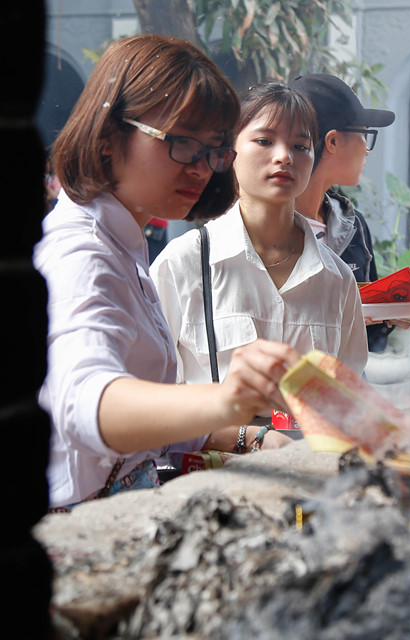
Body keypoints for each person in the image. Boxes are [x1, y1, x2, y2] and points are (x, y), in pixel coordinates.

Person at [35, 34, 300, 511]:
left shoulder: (122, 241)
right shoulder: (81, 253)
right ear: (108, 137)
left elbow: (151, 412)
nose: (202, 168)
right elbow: (85, 403)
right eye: (181, 142)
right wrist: (227, 399)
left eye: (214, 149)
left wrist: (249, 436)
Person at [150, 83, 367, 390]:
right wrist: (248, 436)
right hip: (214, 441)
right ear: (229, 153)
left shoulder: (337, 279)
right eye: (265, 140)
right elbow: (155, 396)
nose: (284, 157)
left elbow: (349, 396)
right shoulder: (184, 263)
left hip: (307, 440)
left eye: (300, 146)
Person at [289, 73, 410, 352]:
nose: (367, 151)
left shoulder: (352, 225)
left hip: (348, 390)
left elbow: (370, 343)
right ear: (332, 142)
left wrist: (389, 316)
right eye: (364, 134)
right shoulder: (268, 229)